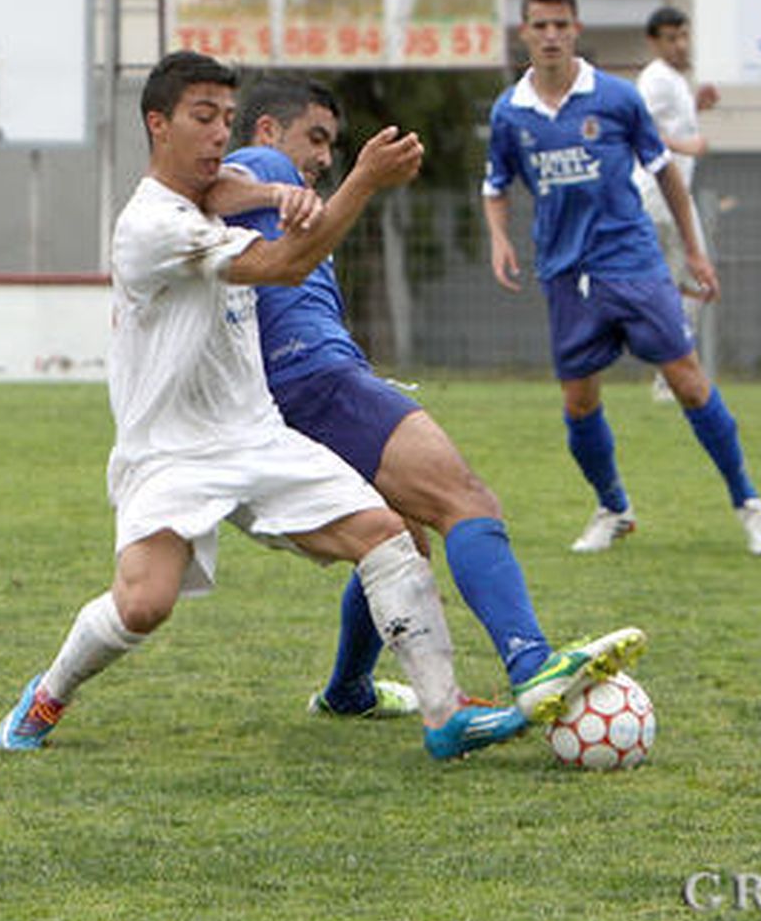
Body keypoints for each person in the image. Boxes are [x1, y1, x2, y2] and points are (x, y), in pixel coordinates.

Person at [0, 51, 527, 761]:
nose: (219, 134)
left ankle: (444, 715)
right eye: (202, 118)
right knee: (145, 604)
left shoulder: (210, 191)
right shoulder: (149, 227)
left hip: (256, 434)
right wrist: (361, 181)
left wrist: (279, 198)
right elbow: (285, 266)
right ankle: (49, 691)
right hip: (171, 451)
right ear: (159, 124)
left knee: (386, 531)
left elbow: (225, 190)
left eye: (224, 118)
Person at [215, 74, 647, 725]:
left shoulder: (287, 204)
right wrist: (359, 177)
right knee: (464, 500)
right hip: (315, 381)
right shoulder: (263, 164)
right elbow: (214, 184)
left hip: (301, 384)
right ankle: (532, 666)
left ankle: (349, 691)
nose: (325, 157)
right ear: (271, 131)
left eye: (334, 145)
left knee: (401, 537)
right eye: (318, 138)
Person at [481, 0, 761, 558]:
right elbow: (495, 186)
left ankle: (749, 502)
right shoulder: (509, 112)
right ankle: (614, 507)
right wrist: (498, 238)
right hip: (565, 273)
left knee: (688, 381)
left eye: (560, 25)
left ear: (576, 30)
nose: (550, 35)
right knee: (578, 402)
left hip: (633, 261)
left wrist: (694, 250)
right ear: (524, 32)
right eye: (539, 25)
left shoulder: (616, 98)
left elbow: (665, 170)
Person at [628, 6, 719, 404]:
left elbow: (671, 125)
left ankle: (672, 372)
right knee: (693, 282)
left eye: (684, 36)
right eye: (671, 38)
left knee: (678, 284)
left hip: (669, 197)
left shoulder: (675, 80)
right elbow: (639, 128)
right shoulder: (655, 79)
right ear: (653, 41)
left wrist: (697, 108)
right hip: (659, 196)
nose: (680, 45)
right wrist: (689, 145)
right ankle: (672, 377)